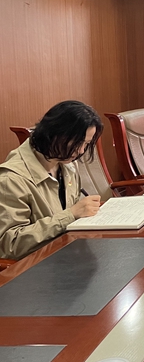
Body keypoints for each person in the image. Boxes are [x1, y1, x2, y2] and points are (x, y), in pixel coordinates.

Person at [0, 101, 103, 260]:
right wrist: (70, 215)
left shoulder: (67, 165)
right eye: (77, 143)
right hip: (36, 265)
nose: (81, 150)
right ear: (55, 134)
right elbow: (9, 244)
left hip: (66, 252)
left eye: (86, 144)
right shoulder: (11, 179)